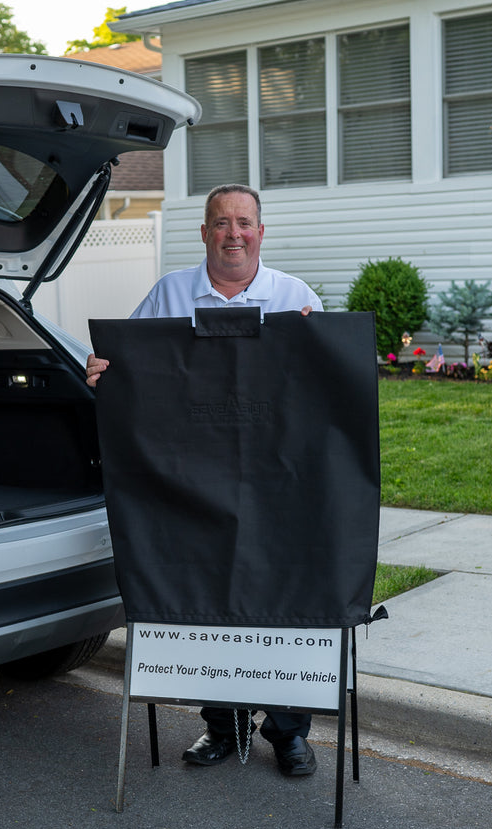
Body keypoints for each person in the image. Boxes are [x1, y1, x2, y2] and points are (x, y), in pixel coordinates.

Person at [85, 183, 323, 777]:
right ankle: (222, 726)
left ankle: (288, 733)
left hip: (276, 483)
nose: (233, 233)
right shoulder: (168, 295)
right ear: (204, 233)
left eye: (244, 222)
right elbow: (131, 372)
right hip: (190, 480)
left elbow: (321, 391)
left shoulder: (296, 297)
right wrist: (103, 373)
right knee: (205, 599)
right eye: (221, 222)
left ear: (261, 232)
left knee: (282, 600)